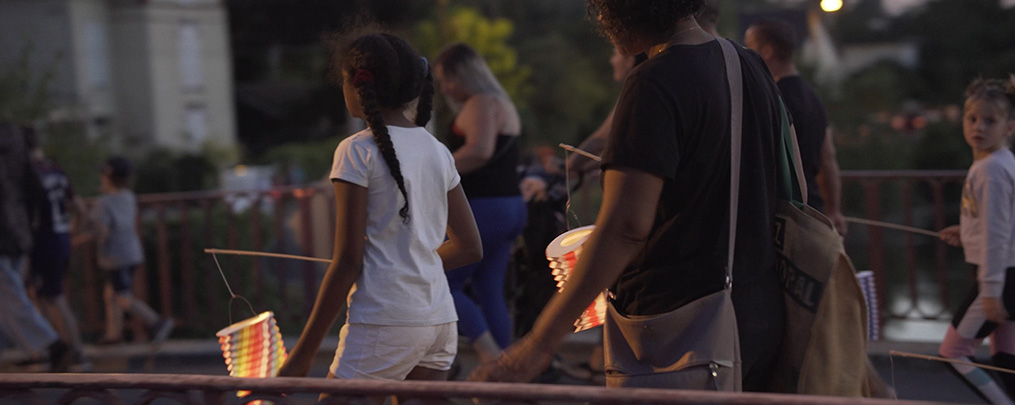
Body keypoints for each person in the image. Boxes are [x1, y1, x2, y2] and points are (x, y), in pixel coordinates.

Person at [470, 0, 786, 392]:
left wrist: (538, 344)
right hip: (755, 310)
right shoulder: (748, 65)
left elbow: (625, 227)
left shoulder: (655, 81)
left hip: (678, 325)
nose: (601, 22)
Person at [276, 33, 482, 391]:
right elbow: (469, 247)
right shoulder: (437, 151)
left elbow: (348, 262)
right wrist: (412, 262)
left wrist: (302, 355)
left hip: (385, 323)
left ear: (357, 85)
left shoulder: (356, 151)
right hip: (439, 321)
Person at [434, 43, 528, 364]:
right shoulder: (502, 102)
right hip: (510, 206)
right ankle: (504, 380)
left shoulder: (481, 103)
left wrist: (433, 169)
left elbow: (479, 151)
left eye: (449, 79)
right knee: (490, 290)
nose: (445, 88)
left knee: (440, 281)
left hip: (485, 208)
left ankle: (493, 360)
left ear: (467, 75)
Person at [937, 76, 1015, 405]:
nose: (978, 127)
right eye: (972, 119)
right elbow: (998, 221)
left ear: (1009, 127)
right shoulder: (997, 163)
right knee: (1006, 356)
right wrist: (965, 230)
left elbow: (998, 234)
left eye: (990, 120)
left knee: (953, 352)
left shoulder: (991, 170)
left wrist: (991, 289)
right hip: (1008, 273)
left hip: (999, 276)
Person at [744, 19, 847, 235]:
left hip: (782, 214)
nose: (745, 54)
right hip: (813, 209)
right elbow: (828, 158)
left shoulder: (771, 98)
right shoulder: (813, 98)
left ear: (767, 51)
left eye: (748, 47)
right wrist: (834, 210)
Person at [0, 122, 75, 372]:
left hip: (7, 231)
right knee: (11, 294)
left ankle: (50, 345)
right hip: (18, 231)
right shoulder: (18, 146)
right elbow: (35, 190)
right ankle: (40, 347)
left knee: (10, 294)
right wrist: (27, 222)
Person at [25, 128, 89, 370]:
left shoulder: (30, 173)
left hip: (44, 239)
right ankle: (62, 351)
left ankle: (77, 353)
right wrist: (72, 230)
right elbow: (80, 207)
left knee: (53, 296)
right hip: (60, 237)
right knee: (46, 295)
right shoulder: (56, 170)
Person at [92, 156, 174, 345]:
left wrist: (86, 237)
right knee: (111, 294)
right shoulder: (129, 197)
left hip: (115, 256)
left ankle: (156, 322)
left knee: (122, 296)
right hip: (132, 252)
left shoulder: (104, 203)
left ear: (106, 178)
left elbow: (101, 230)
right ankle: (113, 334)